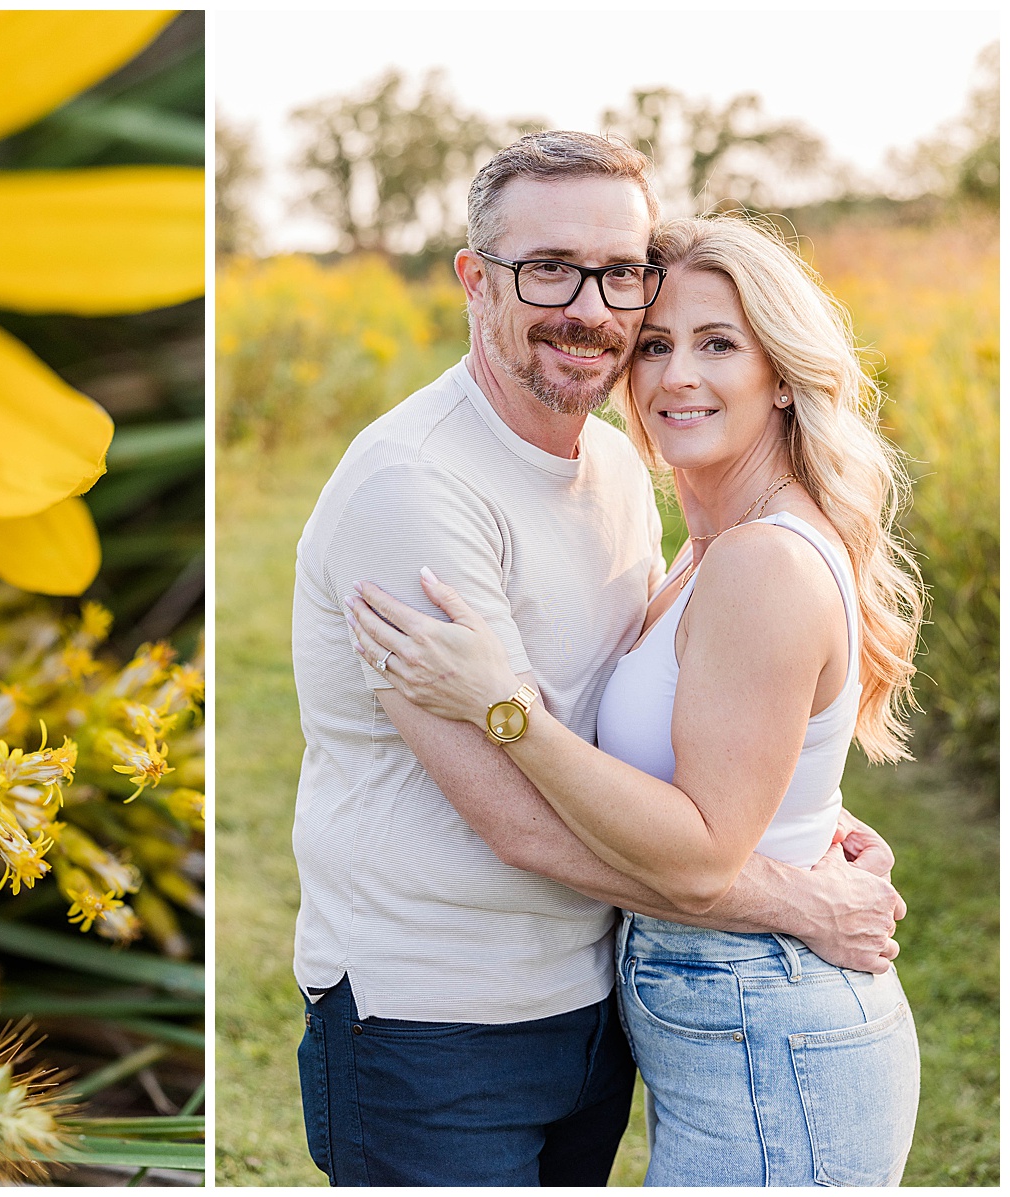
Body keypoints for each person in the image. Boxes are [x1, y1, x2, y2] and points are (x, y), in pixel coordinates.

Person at [290, 130, 907, 1188]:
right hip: (438, 1020)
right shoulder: (416, 488)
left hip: (597, 1008)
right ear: (475, 282)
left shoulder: (625, 473)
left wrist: (801, 810)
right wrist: (791, 896)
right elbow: (518, 816)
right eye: (547, 269)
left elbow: (684, 724)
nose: (591, 308)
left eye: (619, 274)